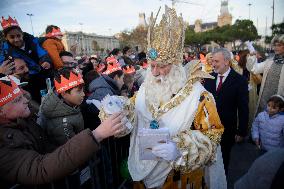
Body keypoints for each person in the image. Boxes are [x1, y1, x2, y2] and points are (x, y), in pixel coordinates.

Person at [101, 6, 226, 189]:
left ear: (175, 64)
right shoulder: (145, 88)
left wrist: (179, 150)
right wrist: (119, 110)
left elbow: (213, 138)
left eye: (161, 66)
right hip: (143, 177)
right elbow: (133, 114)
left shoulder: (199, 96)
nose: (155, 72)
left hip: (178, 179)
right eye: (152, 66)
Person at [0, 76, 126, 189]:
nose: (26, 100)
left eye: (22, 95)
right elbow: (40, 168)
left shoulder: (25, 120)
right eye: (17, 100)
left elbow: (50, 148)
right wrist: (96, 135)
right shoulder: (4, 142)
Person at [204, 48, 249, 174]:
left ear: (227, 62)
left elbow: (243, 108)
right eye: (212, 61)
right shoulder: (208, 78)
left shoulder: (240, 81)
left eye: (216, 61)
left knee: (223, 162)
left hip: (227, 130)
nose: (213, 64)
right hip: (208, 130)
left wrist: (241, 132)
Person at [38, 68, 85, 148]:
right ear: (63, 94)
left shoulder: (71, 103)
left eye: (83, 90)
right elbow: (73, 150)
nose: (83, 94)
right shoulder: (62, 125)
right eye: (79, 91)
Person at [246, 35, 284, 115]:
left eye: (279, 45)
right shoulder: (269, 62)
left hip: (279, 106)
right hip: (264, 102)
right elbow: (253, 69)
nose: (276, 47)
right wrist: (252, 56)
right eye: (275, 45)